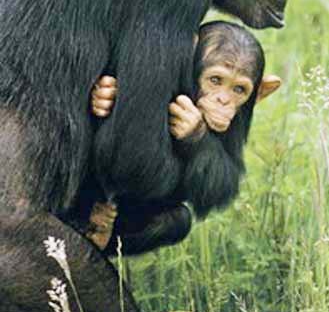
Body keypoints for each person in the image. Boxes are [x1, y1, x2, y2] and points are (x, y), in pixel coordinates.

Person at [88, 22, 281, 250]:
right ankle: (88, 211)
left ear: (259, 93)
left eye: (239, 89)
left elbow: (216, 193)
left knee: (176, 221)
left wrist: (198, 139)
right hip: (97, 179)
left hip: (138, 203)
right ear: (188, 65)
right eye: (216, 80)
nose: (224, 100)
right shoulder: (162, 69)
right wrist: (101, 96)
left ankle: (104, 245)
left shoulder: (236, 118)